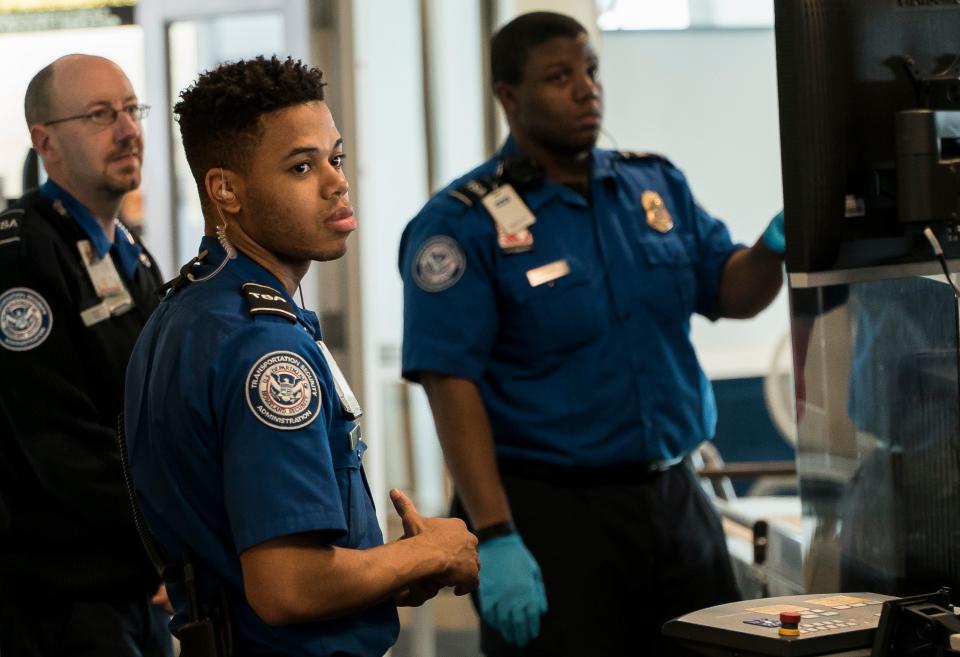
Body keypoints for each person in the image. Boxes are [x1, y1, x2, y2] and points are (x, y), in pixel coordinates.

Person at [399, 12, 786, 657]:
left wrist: (772, 249)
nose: (587, 90)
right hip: (552, 518)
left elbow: (729, 291)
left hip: (675, 499)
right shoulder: (460, 225)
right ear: (509, 97)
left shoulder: (652, 186)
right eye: (559, 77)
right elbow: (450, 382)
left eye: (591, 70)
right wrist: (494, 533)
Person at [124, 56, 480, 657]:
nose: (336, 181)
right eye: (301, 166)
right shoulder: (261, 343)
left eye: (335, 158)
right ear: (226, 190)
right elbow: (286, 587)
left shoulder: (186, 309)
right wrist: (427, 550)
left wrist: (387, 573)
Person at [0, 55, 171, 656]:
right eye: (101, 115)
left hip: (135, 585)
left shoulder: (127, 250)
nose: (128, 130)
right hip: (60, 603)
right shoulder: (21, 258)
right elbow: (63, 444)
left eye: (131, 109)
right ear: (44, 142)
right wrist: (169, 540)